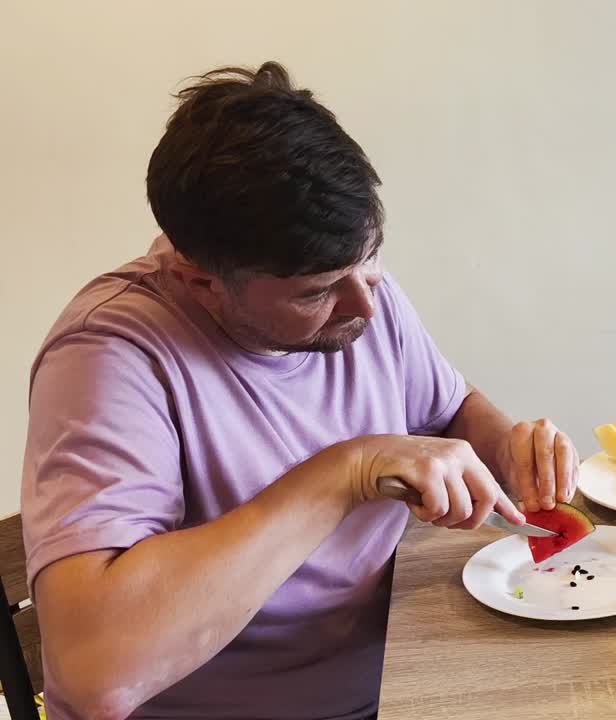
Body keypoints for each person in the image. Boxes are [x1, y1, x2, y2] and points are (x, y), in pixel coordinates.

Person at [20, 61, 580, 720]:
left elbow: (449, 412)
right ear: (202, 281)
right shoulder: (108, 355)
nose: (367, 310)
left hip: (408, 679)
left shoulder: (360, 292)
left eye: (369, 260)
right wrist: (346, 470)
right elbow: (97, 674)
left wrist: (508, 450)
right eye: (315, 292)